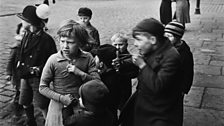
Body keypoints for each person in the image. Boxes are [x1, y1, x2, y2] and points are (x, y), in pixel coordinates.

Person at [39, 19, 100, 126]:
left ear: (80, 43)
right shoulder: (53, 60)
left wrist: (80, 73)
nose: (65, 46)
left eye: (70, 42)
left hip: (81, 105)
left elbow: (97, 82)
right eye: (62, 41)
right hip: (59, 105)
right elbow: (42, 87)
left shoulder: (87, 57)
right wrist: (62, 98)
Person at [131, 18, 183, 126]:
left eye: (138, 39)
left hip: (160, 113)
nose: (135, 44)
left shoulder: (171, 57)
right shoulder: (154, 48)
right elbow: (141, 74)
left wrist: (142, 65)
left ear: (153, 40)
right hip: (145, 106)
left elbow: (158, 86)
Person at [16, 4, 57, 126]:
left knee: (43, 104)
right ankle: (31, 121)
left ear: (29, 22)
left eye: (23, 20)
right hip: (25, 75)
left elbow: (53, 60)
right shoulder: (26, 34)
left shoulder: (46, 40)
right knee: (24, 101)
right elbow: (22, 51)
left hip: (38, 79)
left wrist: (38, 70)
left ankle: (48, 122)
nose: (21, 22)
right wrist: (19, 61)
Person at [94, 44, 123, 126]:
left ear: (101, 64)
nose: (93, 59)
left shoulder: (106, 82)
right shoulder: (115, 75)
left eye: (96, 58)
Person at [164, 20, 194, 94]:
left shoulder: (184, 53)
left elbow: (188, 72)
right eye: (165, 36)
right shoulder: (165, 46)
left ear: (178, 37)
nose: (166, 39)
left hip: (176, 88)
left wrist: (184, 89)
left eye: (170, 36)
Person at [111, 33, 139, 109]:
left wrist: (122, 68)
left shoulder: (130, 58)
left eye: (120, 45)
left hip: (124, 88)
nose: (117, 47)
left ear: (126, 45)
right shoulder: (110, 55)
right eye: (115, 45)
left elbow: (134, 73)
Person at [5, 23, 25, 122]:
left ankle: (21, 104)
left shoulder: (29, 44)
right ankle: (17, 108)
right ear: (18, 33)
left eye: (26, 32)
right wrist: (8, 73)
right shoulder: (16, 47)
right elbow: (10, 61)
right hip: (17, 75)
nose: (24, 34)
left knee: (23, 90)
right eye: (23, 32)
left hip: (25, 73)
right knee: (19, 91)